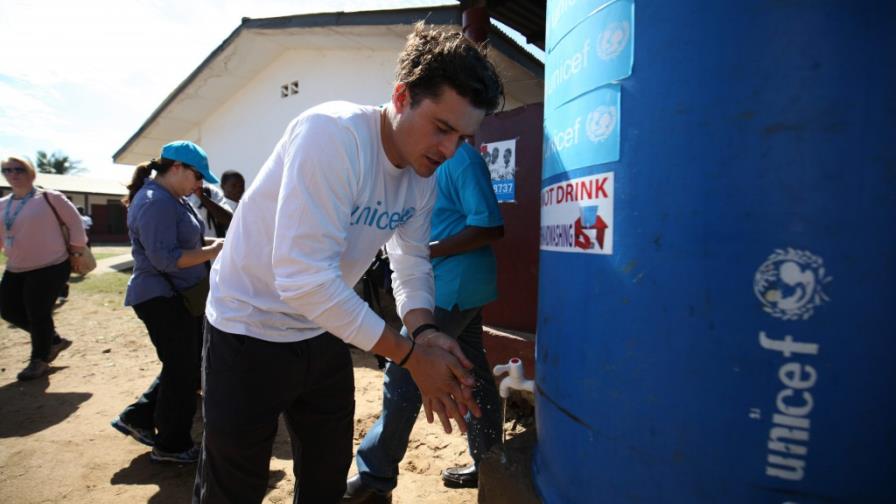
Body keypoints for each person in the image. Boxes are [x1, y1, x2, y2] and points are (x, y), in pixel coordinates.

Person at [194, 22, 503, 504]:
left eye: (463, 137)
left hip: (323, 330)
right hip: (247, 328)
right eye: (442, 128)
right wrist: (408, 354)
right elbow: (302, 278)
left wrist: (422, 331)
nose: (449, 150)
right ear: (402, 97)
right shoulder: (333, 135)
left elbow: (411, 260)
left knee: (326, 475)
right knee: (233, 488)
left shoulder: (422, 175)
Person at [346, 140, 505, 502]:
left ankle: (375, 474)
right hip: (448, 284)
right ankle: (491, 462)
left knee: (403, 373)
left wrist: (424, 250)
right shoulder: (423, 163)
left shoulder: (461, 159)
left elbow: (490, 226)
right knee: (472, 372)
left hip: (452, 285)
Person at [110, 141, 224, 464]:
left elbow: (184, 241)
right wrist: (211, 252)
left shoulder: (171, 198)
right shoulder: (154, 201)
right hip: (161, 298)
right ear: (177, 168)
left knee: (182, 364)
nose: (199, 185)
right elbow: (165, 258)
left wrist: (213, 244)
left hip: (175, 297)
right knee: (183, 370)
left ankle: (138, 417)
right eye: (197, 176)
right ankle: (171, 445)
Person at [0, 155, 86, 380]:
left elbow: (75, 224)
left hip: (51, 264)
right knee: (7, 308)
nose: (13, 174)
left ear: (30, 172)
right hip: (16, 266)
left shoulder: (49, 197)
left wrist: (76, 252)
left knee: (37, 311)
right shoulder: (3, 205)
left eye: (18, 169)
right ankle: (53, 340)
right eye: (7, 170)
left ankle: (39, 359)